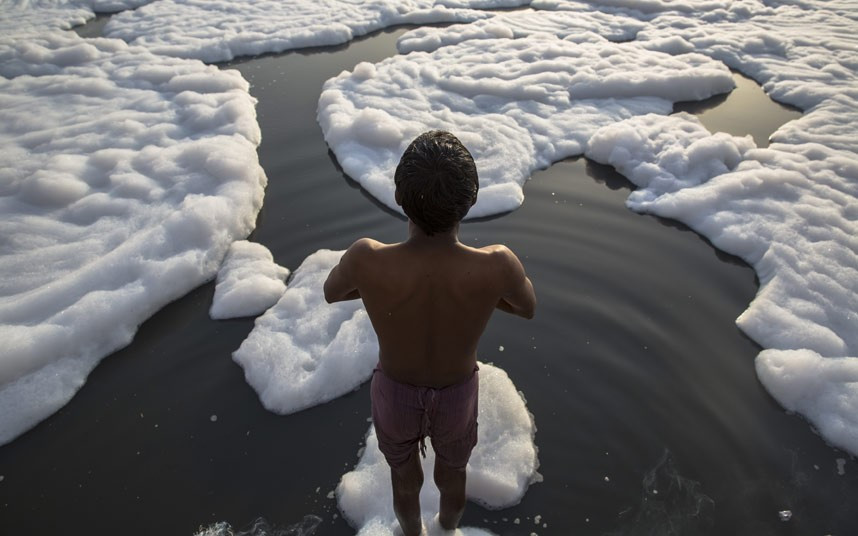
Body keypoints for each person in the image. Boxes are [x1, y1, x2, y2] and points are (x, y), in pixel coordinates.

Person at [324, 130, 536, 535]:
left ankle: (415, 535)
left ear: (399, 196)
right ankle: (449, 530)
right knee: (453, 472)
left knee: (403, 477)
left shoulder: (366, 258)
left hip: (396, 392)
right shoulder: (496, 266)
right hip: (456, 393)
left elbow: (332, 292)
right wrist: (484, 294)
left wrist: (373, 286)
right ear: (471, 199)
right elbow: (527, 307)